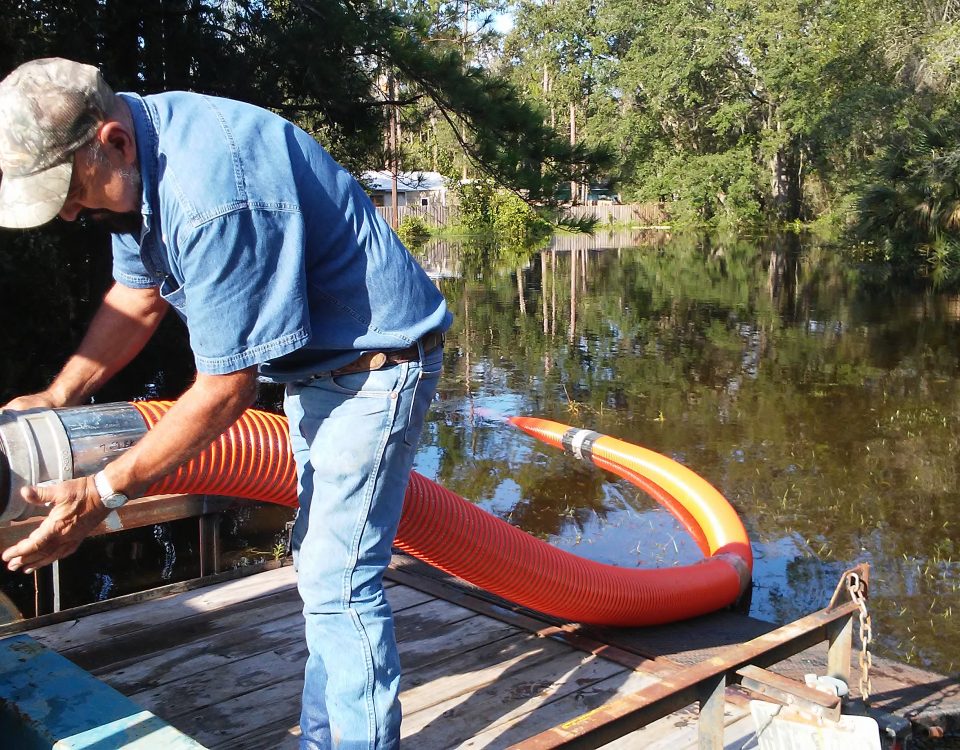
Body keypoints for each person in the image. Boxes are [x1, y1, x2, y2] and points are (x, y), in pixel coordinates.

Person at [0, 57, 451, 750]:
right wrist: (59, 394)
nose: (67, 210)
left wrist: (100, 495)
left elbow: (225, 392)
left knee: (340, 582)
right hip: (319, 368)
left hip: (374, 367)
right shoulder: (136, 159)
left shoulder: (213, 195)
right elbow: (137, 296)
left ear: (112, 141)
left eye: (67, 188)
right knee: (322, 569)